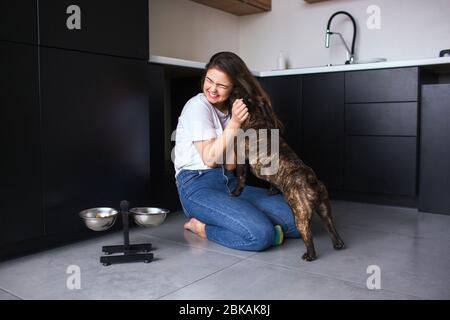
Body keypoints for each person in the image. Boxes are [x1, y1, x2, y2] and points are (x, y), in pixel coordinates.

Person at [173, 51, 300, 251]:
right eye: (209, 80)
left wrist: (239, 124)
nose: (212, 89)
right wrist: (234, 123)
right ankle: (202, 227)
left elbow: (231, 165)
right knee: (260, 235)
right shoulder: (197, 106)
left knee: (299, 217)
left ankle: (241, 218)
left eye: (221, 85)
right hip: (197, 187)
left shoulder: (233, 109)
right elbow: (210, 159)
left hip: (230, 184)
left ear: (234, 86)